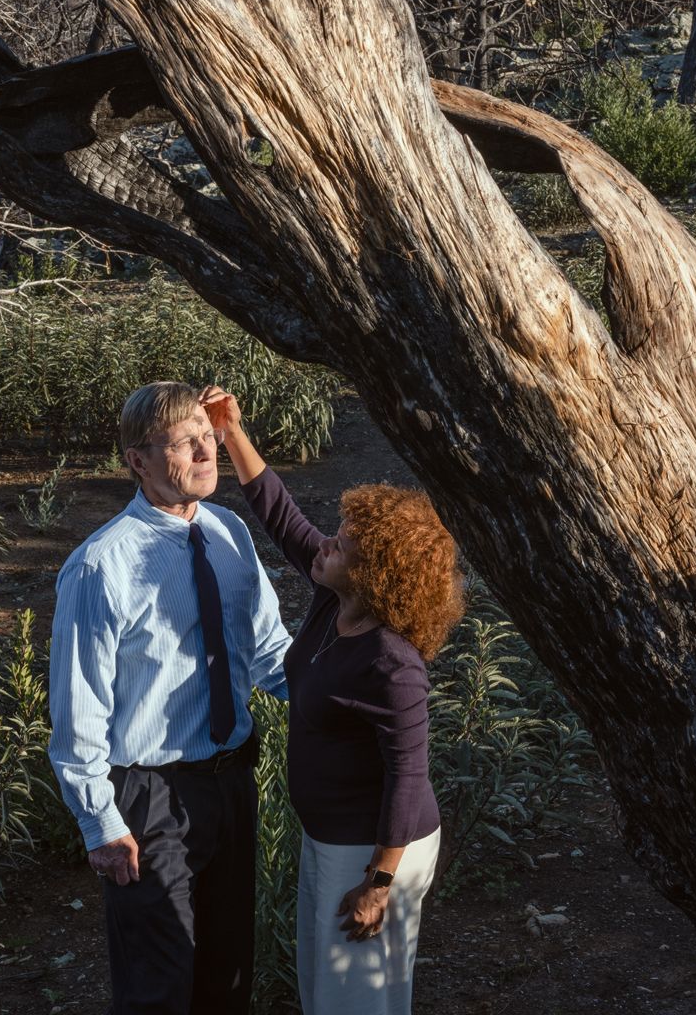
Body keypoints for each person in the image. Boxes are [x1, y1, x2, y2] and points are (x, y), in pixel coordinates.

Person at [202, 384, 466, 1015]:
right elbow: (282, 516)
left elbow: (408, 778)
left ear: (375, 574)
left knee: (358, 999)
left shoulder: (392, 664)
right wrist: (230, 431)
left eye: (342, 543)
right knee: (327, 990)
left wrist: (379, 884)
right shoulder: (335, 600)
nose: (326, 542)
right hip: (331, 838)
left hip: (374, 850)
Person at [46, 381, 292, 1015]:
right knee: (159, 982)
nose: (205, 453)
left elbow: (268, 653)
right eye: (183, 444)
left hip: (233, 783)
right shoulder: (102, 566)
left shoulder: (229, 532)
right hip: (149, 799)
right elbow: (79, 713)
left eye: (206, 438)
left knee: (228, 969)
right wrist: (101, 821)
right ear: (138, 461)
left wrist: (351, 696)